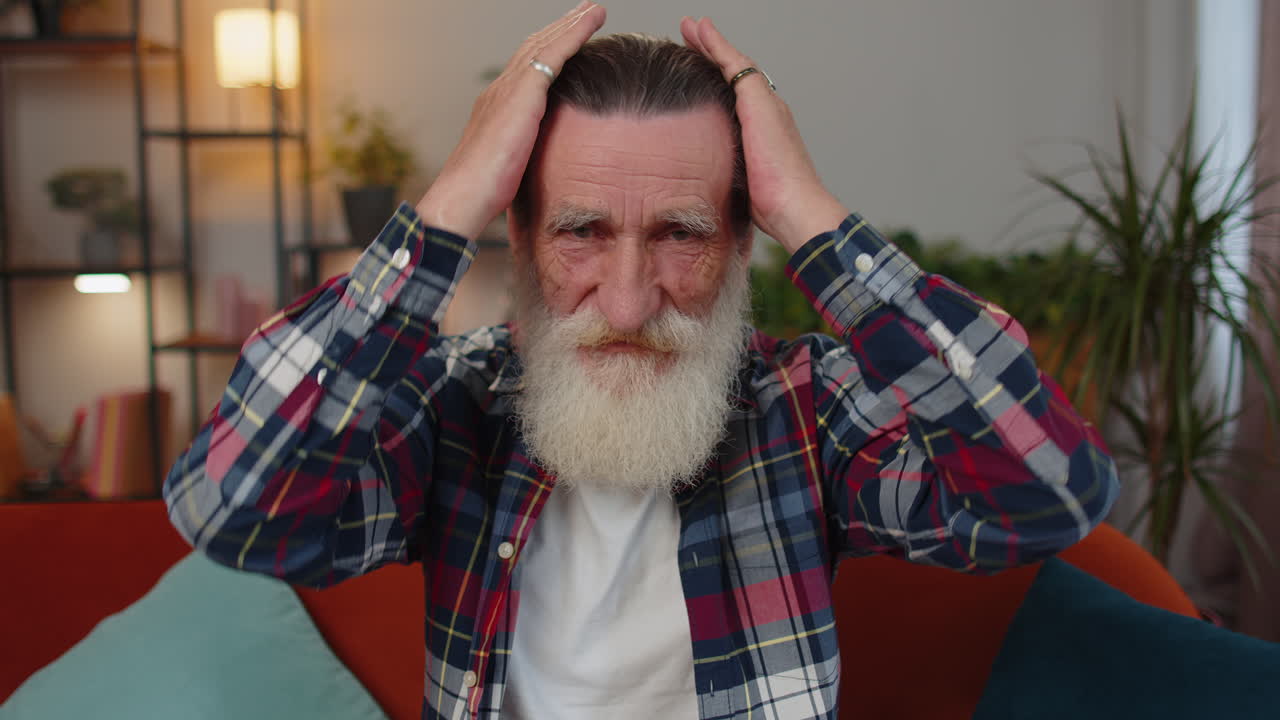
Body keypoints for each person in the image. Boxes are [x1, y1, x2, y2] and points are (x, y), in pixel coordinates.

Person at [163, 4, 1118, 719]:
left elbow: (1047, 494)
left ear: (741, 244)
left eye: (681, 234)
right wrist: (450, 204)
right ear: (521, 236)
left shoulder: (807, 408)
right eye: (580, 230)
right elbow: (235, 509)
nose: (627, 303)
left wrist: (810, 216)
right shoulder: (454, 405)